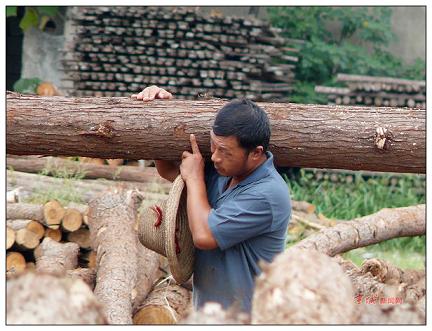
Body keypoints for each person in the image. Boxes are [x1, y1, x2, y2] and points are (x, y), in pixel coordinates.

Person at [131, 86, 292, 313]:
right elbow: (169, 170)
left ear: (256, 153)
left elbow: (204, 236)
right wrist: (162, 111)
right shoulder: (224, 173)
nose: (214, 157)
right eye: (213, 146)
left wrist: (195, 177)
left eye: (225, 151)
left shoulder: (268, 194)